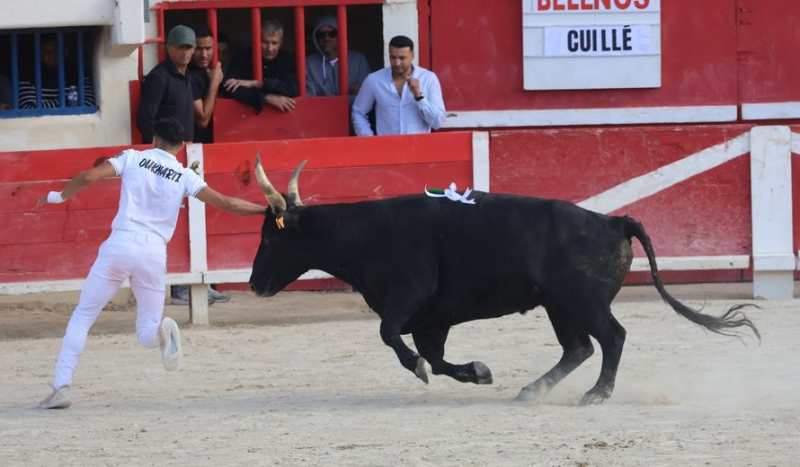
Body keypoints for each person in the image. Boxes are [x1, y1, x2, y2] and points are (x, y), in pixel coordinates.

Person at [36, 117, 267, 409]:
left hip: (120, 244)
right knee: (147, 329)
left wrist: (58, 196)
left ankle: (62, 388)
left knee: (83, 317)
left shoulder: (133, 157)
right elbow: (227, 203)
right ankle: (162, 331)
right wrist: (266, 211)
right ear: (182, 146)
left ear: (154, 139)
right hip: (154, 253)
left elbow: (88, 177)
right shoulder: (185, 175)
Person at [171, 24, 229, 305]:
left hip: (203, 152)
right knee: (189, 215)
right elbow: (204, 118)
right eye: (200, 48)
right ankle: (186, 285)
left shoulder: (199, 74)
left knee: (203, 215)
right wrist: (215, 81)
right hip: (190, 154)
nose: (204, 54)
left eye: (209, 48)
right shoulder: (192, 77)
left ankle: (203, 281)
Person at [351, 35, 446, 136]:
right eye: (393, 57)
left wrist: (419, 96)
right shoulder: (374, 80)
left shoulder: (428, 78)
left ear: (412, 56)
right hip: (386, 147)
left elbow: (438, 122)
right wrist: (369, 140)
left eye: (402, 58)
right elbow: (358, 112)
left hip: (418, 147)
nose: (397, 63)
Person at [136, 25, 197, 144]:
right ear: (168, 48)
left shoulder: (188, 76)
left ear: (194, 49)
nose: (185, 52)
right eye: (180, 47)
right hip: (165, 154)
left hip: (186, 151)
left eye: (188, 47)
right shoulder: (158, 77)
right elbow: (144, 120)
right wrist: (165, 146)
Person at [222, 19, 298, 113]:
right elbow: (228, 88)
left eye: (274, 43)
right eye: (265, 42)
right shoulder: (242, 58)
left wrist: (257, 83)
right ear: (256, 40)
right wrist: (265, 98)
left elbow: (292, 88)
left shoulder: (286, 60)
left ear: (281, 42)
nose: (269, 48)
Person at [18, 35, 96, 109]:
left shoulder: (77, 72)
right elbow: (27, 109)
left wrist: (45, 106)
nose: (52, 56)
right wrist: (66, 101)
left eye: (55, 50)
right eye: (46, 52)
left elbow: (89, 103)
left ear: (65, 51)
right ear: (39, 54)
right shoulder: (28, 75)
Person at [305, 15, 370, 104]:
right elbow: (309, 99)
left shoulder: (358, 60)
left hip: (353, 114)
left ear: (341, 35)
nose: (326, 38)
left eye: (332, 34)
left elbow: (365, 97)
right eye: (321, 35)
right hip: (322, 115)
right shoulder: (309, 63)